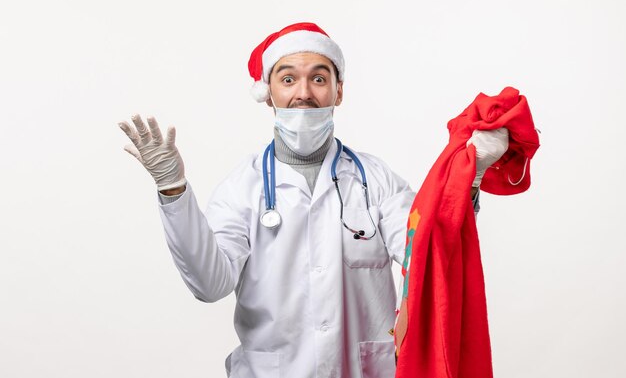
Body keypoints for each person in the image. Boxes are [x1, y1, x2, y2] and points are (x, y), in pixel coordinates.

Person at [118, 22, 509, 378]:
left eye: (318, 79)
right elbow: (210, 283)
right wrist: (173, 187)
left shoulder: (375, 179)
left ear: (339, 90)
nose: (303, 94)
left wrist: (467, 177)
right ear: (268, 92)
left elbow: (423, 249)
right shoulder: (242, 188)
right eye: (288, 79)